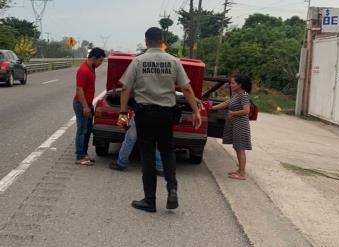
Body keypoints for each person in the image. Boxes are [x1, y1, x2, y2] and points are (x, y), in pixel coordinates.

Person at [118, 27, 202, 213]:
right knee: (167, 152)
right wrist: (196, 111)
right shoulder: (173, 61)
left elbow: (125, 89)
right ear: (162, 40)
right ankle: (172, 188)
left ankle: (150, 201)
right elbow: (186, 89)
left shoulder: (138, 61)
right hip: (166, 115)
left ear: (146, 41)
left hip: (145, 115)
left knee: (147, 155)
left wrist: (123, 113)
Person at [210, 75, 252, 180]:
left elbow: (246, 111)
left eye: (233, 83)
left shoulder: (244, 95)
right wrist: (210, 108)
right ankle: (239, 170)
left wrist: (233, 113)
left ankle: (242, 173)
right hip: (235, 124)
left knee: (240, 147)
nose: (230, 84)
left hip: (241, 125)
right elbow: (226, 103)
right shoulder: (236, 94)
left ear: (240, 85)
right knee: (237, 146)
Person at [73, 47, 106, 166]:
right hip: (81, 104)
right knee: (82, 130)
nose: (101, 63)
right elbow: (79, 90)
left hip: (88, 103)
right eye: (100, 61)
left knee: (88, 130)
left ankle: (84, 153)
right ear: (93, 58)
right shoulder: (84, 70)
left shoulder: (91, 68)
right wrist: (85, 107)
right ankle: (80, 156)